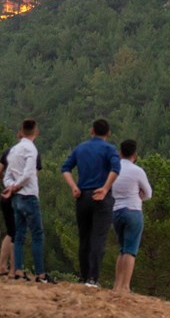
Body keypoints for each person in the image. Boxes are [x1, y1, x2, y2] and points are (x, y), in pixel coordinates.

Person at [61, 118, 120, 287]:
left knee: (84, 238)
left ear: (91, 131)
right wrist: (105, 188)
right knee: (98, 238)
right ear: (108, 133)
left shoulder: (81, 148)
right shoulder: (110, 149)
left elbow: (65, 168)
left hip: (83, 196)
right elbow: (116, 169)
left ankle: (83, 276)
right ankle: (93, 278)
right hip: (101, 197)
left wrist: (73, 186)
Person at [1, 119, 50, 283]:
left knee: (19, 234)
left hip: (16, 197)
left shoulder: (14, 150)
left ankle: (18, 270)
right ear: (36, 132)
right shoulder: (31, 149)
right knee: (37, 234)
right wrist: (17, 186)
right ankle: (40, 273)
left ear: (21, 131)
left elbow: (6, 175)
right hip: (28, 195)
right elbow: (29, 173)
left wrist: (11, 186)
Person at [111, 139, 152, 293]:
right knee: (130, 250)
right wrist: (139, 195)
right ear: (135, 155)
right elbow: (148, 193)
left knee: (122, 249)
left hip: (116, 211)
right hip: (133, 210)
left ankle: (117, 286)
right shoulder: (137, 171)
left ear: (120, 153)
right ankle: (126, 286)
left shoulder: (113, 169)